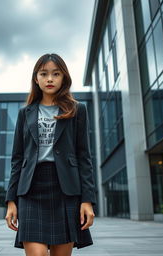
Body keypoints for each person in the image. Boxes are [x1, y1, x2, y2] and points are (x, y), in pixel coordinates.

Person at [5, 53, 96, 256]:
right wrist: (11, 200)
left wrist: (87, 200)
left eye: (56, 74)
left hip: (66, 189)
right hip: (31, 189)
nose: (49, 79)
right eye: (44, 73)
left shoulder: (77, 110)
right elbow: (17, 159)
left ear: (64, 78)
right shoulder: (25, 113)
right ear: (36, 78)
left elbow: (84, 158)